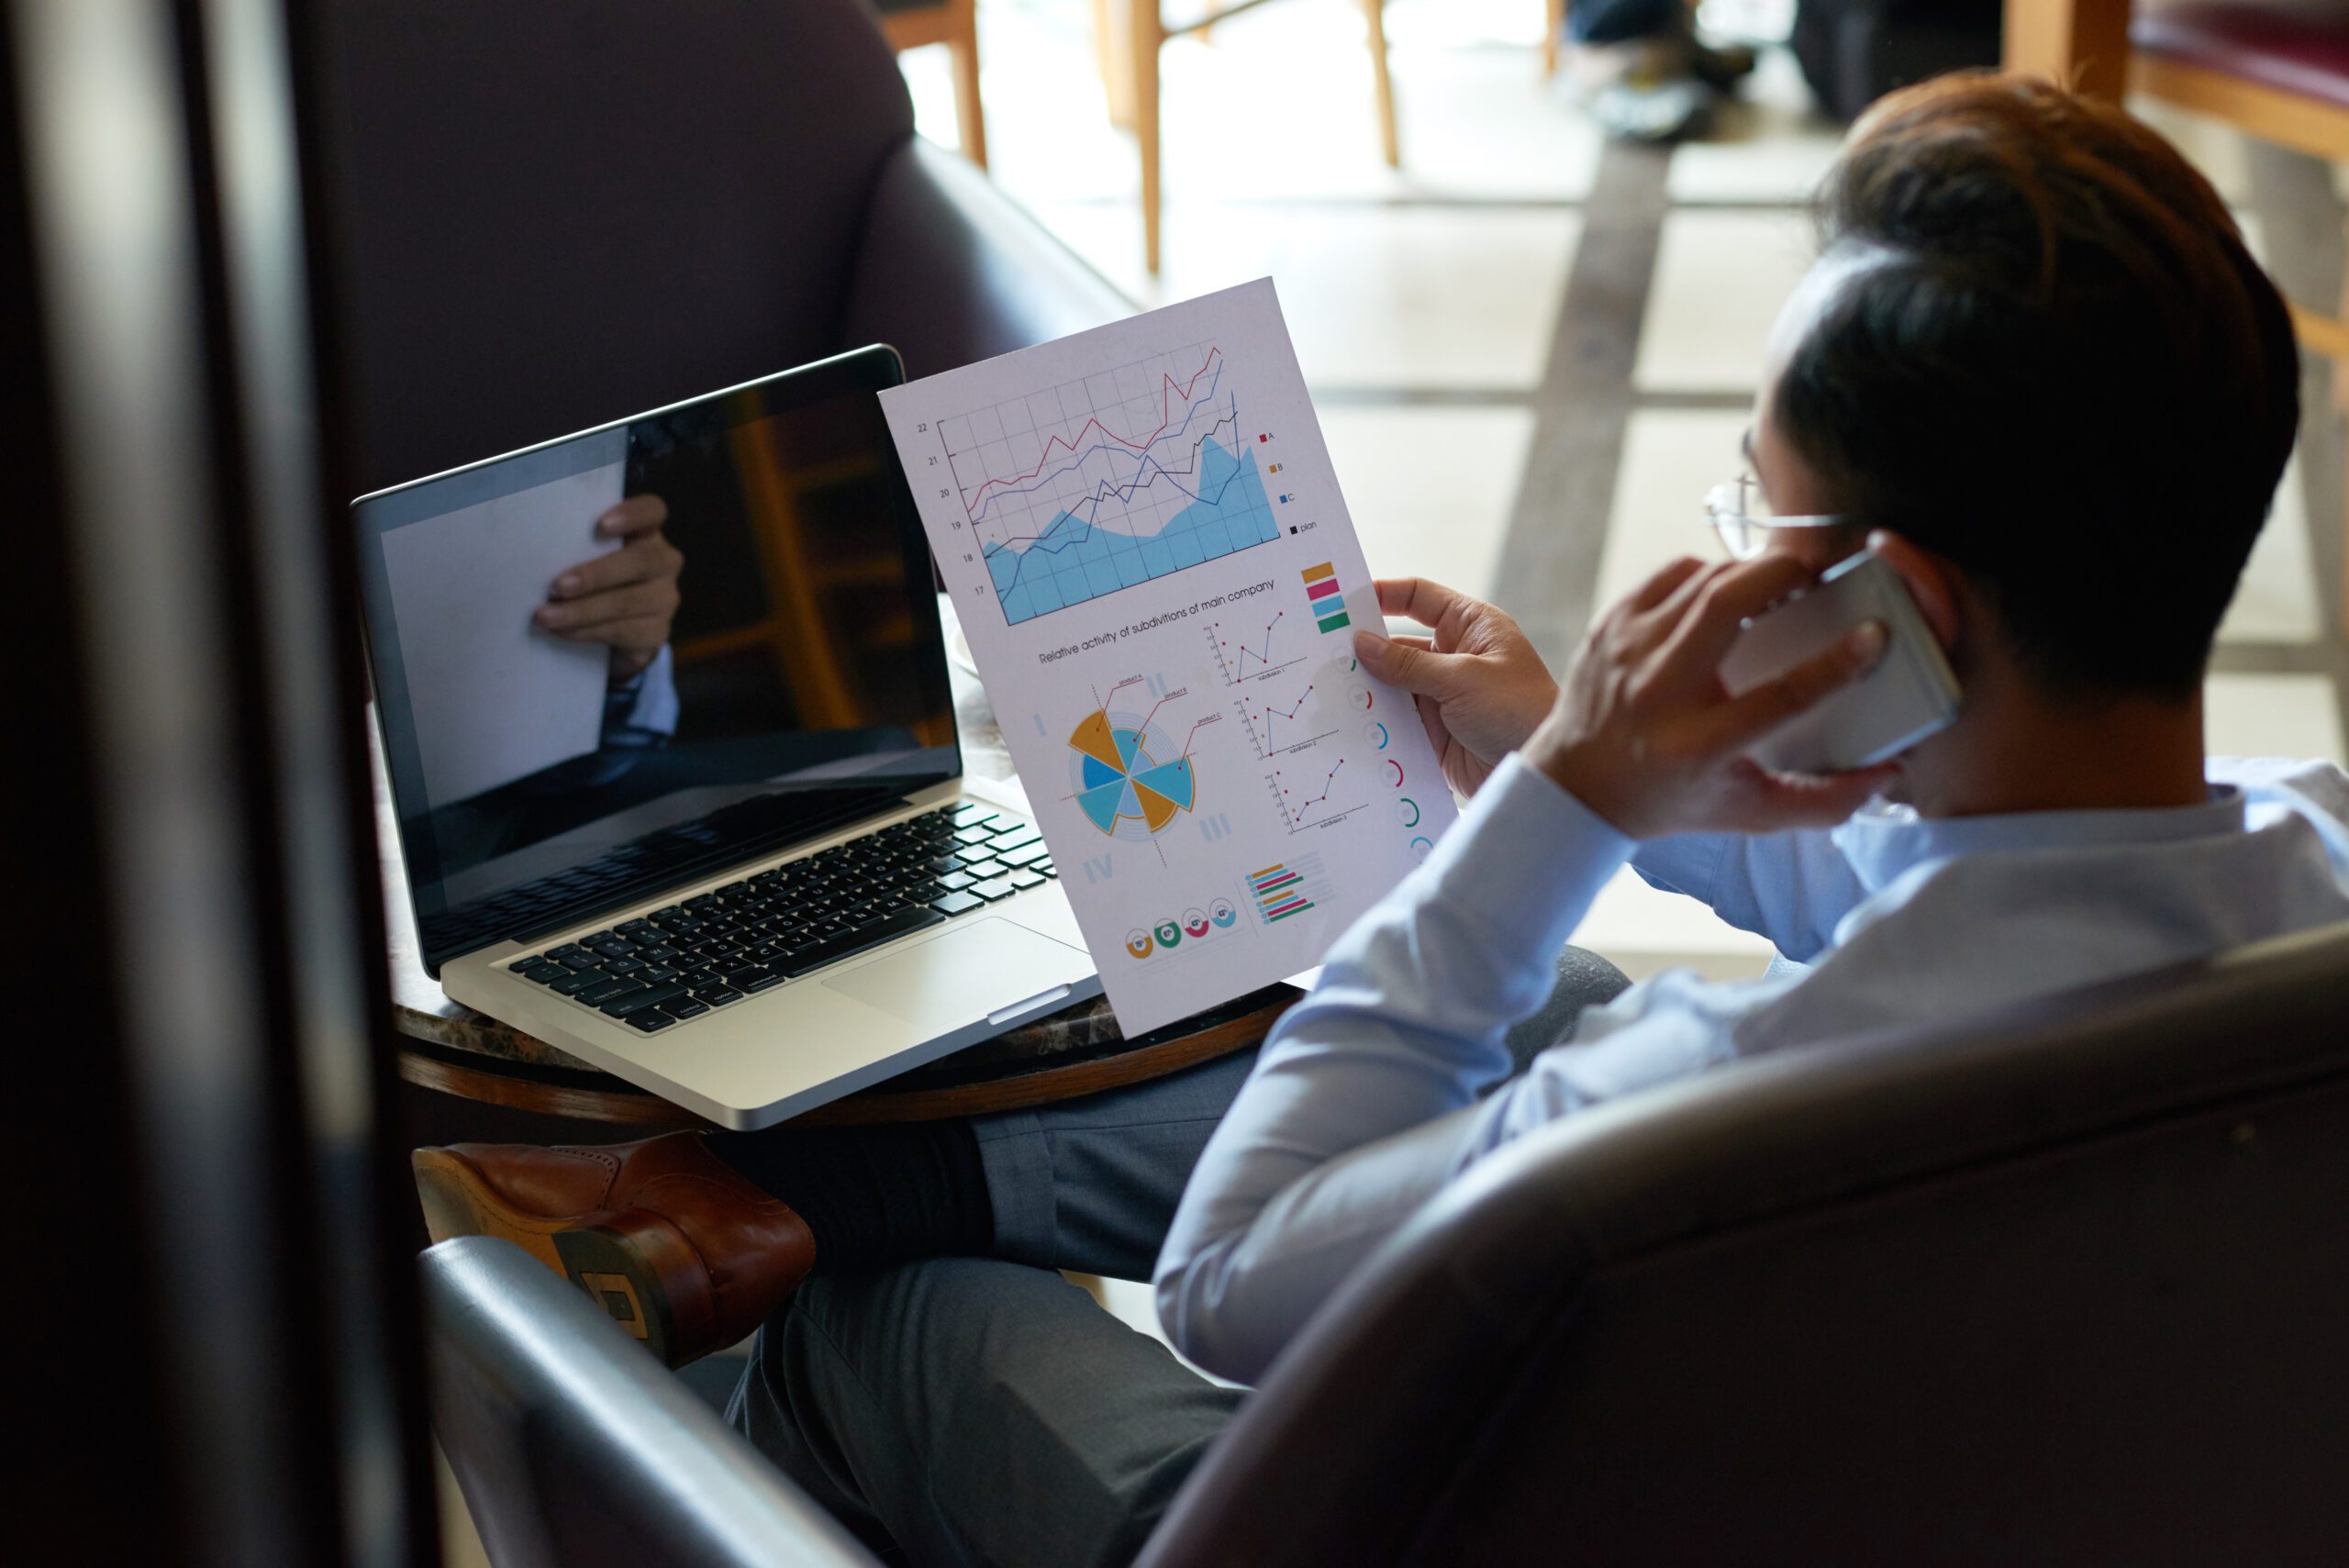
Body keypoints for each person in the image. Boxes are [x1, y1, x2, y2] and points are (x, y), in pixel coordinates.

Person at [413, 74, 2349, 1566]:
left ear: (1897, 611)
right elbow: (1945, 902)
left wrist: (1560, 800)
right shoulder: (2303, 861)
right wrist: (1541, 743)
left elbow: (1233, 1282)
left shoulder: (1700, 1113)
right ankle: (872, 1173)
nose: (1721, 568)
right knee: (1541, 991)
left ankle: (800, 1251)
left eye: (1748, 521)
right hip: (1968, 1451)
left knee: (893, 1323)